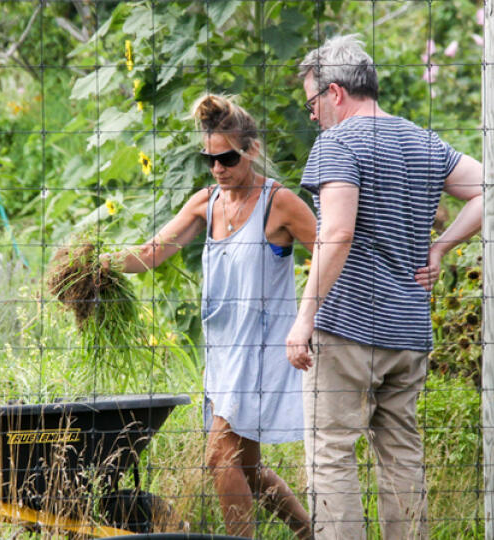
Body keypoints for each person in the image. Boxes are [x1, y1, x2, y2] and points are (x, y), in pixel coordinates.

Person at [285, 35, 484, 539]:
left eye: (312, 103)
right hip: (409, 331)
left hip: (348, 327)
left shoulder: (338, 141)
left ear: (334, 93)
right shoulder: (423, 140)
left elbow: (337, 233)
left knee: (331, 451)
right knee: (401, 454)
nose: (312, 116)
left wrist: (305, 316)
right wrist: (442, 246)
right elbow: (493, 185)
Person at [103, 94, 316, 539]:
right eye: (210, 159)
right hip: (222, 351)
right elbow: (149, 255)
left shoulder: (279, 204)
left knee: (220, 457)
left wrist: (313, 319)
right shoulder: (206, 202)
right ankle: (309, 533)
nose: (218, 168)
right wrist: (95, 263)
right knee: (249, 468)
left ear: (251, 150)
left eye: (227, 157)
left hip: (264, 351)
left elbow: (332, 255)